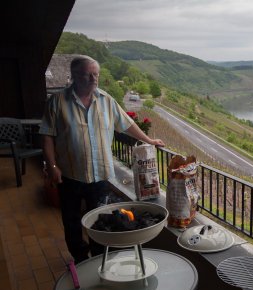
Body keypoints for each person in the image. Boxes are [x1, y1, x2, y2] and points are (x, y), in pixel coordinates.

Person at [39, 55, 165, 264]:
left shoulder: (106, 100)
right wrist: (52, 166)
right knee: (71, 221)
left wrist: (148, 139)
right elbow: (47, 137)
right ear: (74, 76)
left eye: (95, 74)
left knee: (100, 221)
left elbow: (126, 124)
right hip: (70, 174)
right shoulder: (57, 102)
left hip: (100, 175)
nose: (93, 79)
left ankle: (99, 258)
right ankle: (79, 258)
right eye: (87, 74)